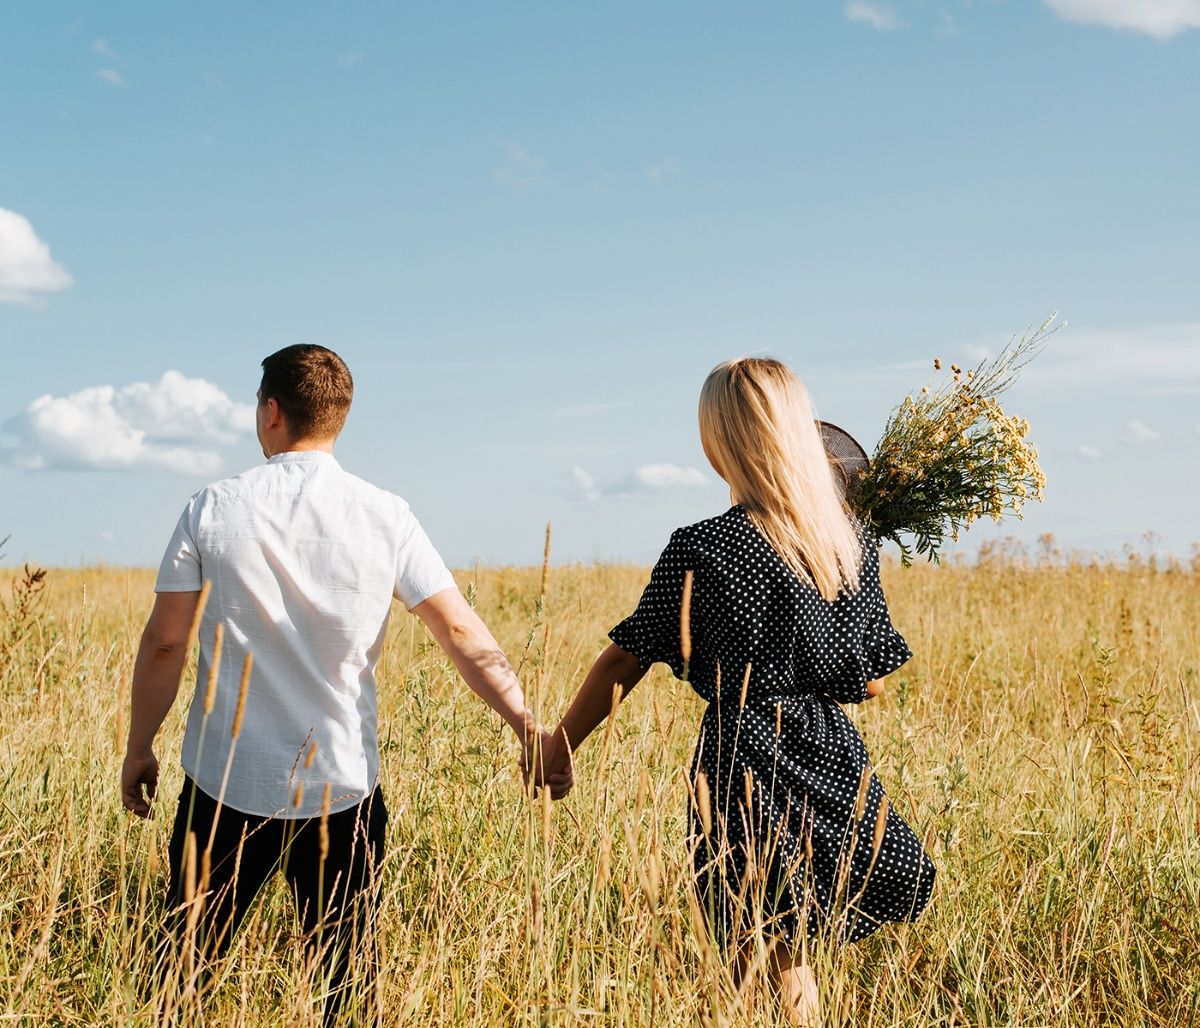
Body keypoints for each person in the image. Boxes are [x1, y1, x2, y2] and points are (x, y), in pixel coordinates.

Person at [120, 344, 569, 1024]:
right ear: (339, 417)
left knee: (180, 981)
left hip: (223, 784)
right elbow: (462, 634)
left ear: (271, 412)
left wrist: (139, 746)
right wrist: (527, 726)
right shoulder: (386, 514)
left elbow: (165, 642)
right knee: (345, 990)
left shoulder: (213, 507)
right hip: (344, 789)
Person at [539, 357, 935, 1025]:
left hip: (743, 760)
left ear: (720, 440)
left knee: (761, 945)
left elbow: (623, 662)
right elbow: (869, 680)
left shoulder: (704, 547)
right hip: (833, 752)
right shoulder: (850, 543)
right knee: (792, 944)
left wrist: (559, 745)